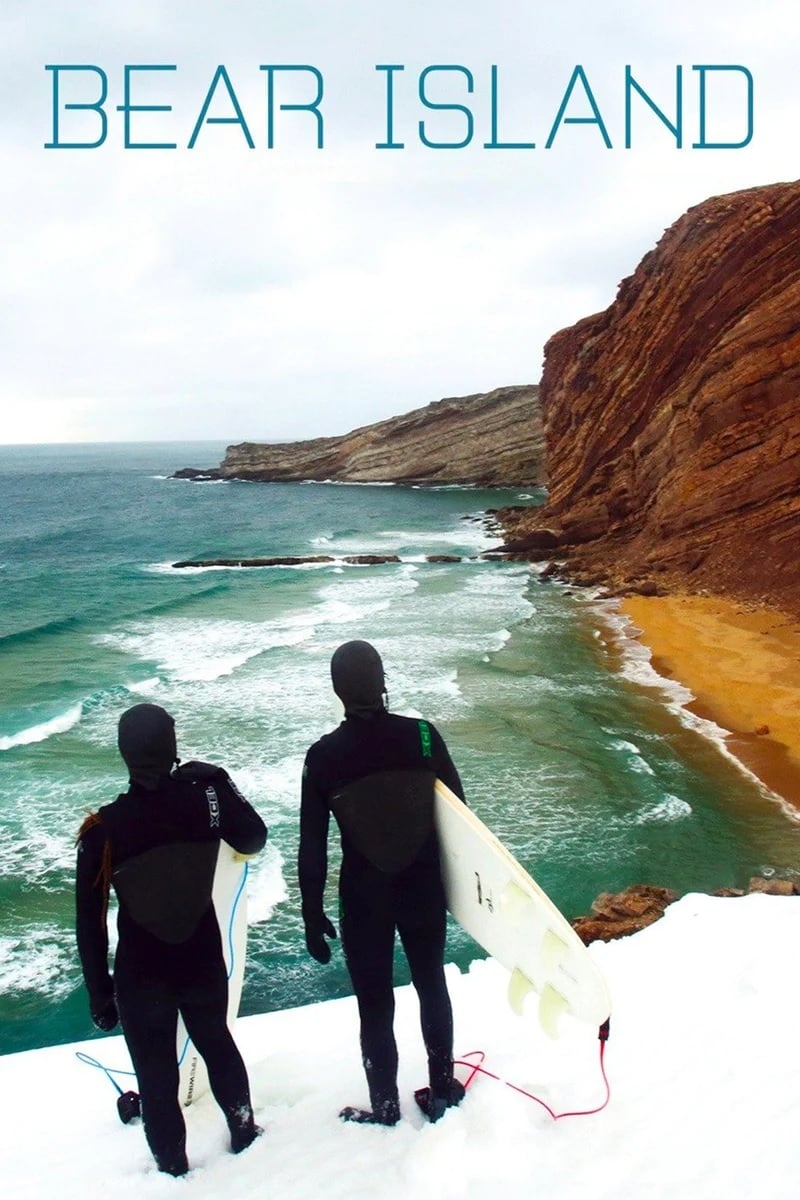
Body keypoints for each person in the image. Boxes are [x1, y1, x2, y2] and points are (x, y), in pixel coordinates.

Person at [75, 702, 268, 1176]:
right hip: (201, 956)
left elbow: (91, 923)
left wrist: (101, 994)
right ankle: (245, 1133)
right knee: (217, 1044)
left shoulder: (103, 830)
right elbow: (253, 839)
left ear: (124, 754)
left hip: (142, 974)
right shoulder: (206, 797)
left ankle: (174, 1171)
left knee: (155, 1076)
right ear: (173, 748)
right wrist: (222, 780)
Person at [298, 639, 467, 1126]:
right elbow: (459, 817)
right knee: (431, 982)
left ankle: (386, 1108)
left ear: (337, 690)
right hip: (422, 889)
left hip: (363, 897)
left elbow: (314, 847)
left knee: (374, 1004)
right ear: (383, 681)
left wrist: (312, 915)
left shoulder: (322, 757)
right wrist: (465, 890)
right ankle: (442, 1089)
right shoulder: (424, 737)